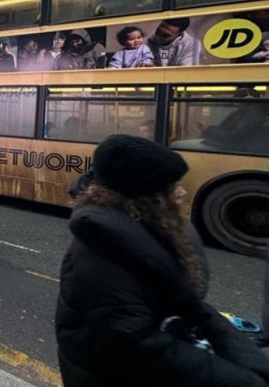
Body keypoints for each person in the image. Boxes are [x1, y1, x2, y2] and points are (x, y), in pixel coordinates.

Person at [56, 134, 269, 386]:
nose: (182, 192)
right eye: (172, 187)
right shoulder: (97, 260)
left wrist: (251, 361)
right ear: (148, 198)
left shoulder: (144, 228)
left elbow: (189, 304)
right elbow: (137, 346)